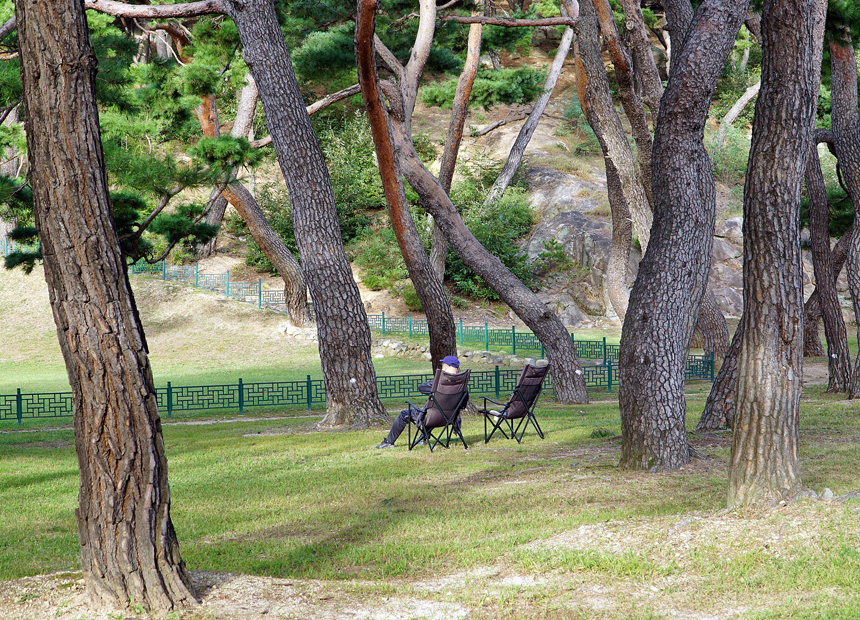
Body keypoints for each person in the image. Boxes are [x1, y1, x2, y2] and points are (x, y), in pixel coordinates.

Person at [375, 355, 464, 449]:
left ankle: (388, 442)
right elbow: (463, 404)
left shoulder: (438, 383)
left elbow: (421, 387)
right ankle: (422, 439)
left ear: (444, 367)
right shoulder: (462, 385)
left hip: (433, 418)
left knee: (405, 414)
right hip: (451, 418)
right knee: (433, 410)